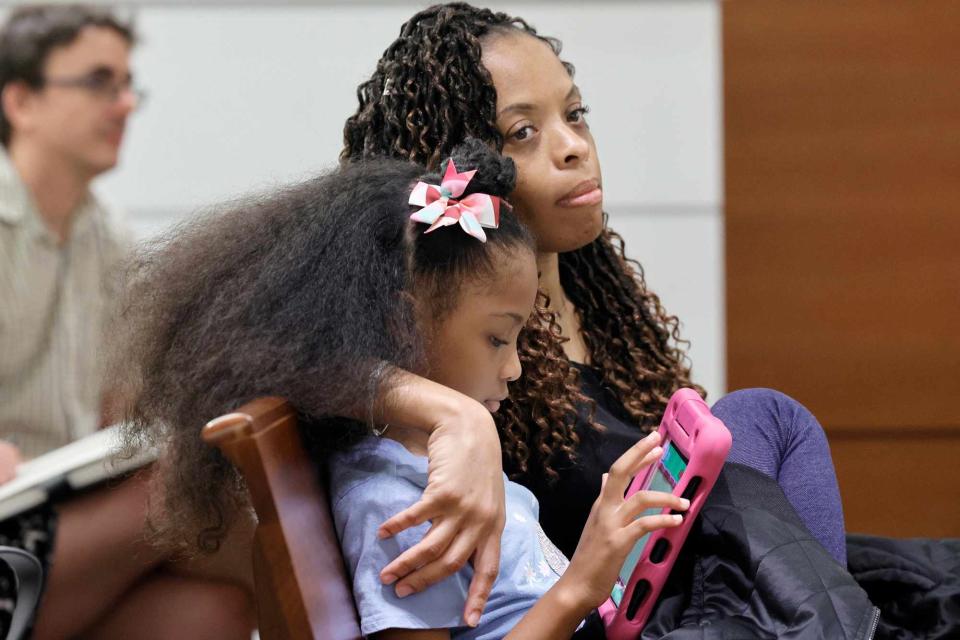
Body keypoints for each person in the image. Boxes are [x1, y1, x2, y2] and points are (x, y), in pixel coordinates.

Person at [337, 2, 848, 610]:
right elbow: (285, 356)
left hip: (684, 587)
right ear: (460, 170)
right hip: (622, 614)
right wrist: (455, 414)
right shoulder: (445, 342)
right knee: (764, 417)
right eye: (523, 133)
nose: (574, 146)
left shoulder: (597, 300)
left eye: (575, 114)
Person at [110, 137, 695, 639]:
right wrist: (581, 587)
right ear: (403, 324)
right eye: (498, 339)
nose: (516, 368)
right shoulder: (394, 506)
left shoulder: (426, 471)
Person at [0, 6, 253, 638]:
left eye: (125, 85)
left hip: (62, 515)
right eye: (97, 82)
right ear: (20, 101)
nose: (122, 106)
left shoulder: (107, 235)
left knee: (214, 615)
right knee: (181, 494)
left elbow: (124, 410)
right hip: (13, 532)